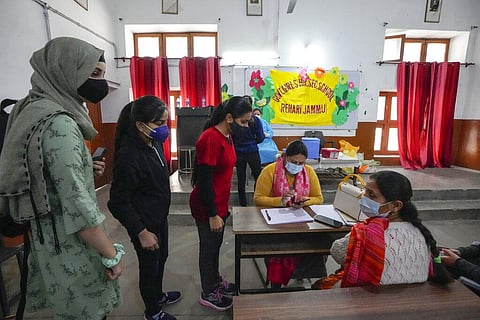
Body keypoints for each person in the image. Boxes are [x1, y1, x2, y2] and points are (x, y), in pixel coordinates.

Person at [0, 37, 122, 320]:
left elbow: (45, 175)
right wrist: (110, 253)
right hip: (71, 244)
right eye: (93, 74)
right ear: (64, 70)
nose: (100, 84)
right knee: (87, 312)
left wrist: (83, 168)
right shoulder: (61, 123)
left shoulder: (30, 111)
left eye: (102, 75)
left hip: (46, 238)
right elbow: (77, 206)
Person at [108, 96, 181, 320]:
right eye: (159, 123)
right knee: (149, 268)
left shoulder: (154, 144)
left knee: (162, 258)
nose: (164, 128)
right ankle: (153, 312)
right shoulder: (129, 156)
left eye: (165, 122)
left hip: (158, 217)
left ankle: (157, 296)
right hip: (144, 224)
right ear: (140, 125)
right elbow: (117, 202)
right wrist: (141, 232)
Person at [329, 170, 452, 287]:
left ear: (396, 205)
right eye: (364, 191)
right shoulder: (421, 232)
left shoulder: (365, 233)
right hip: (412, 301)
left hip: (369, 300)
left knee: (324, 285)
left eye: (371, 195)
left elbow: (336, 252)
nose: (363, 197)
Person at [190, 96, 252, 311]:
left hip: (220, 203)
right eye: (243, 121)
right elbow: (204, 181)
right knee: (208, 249)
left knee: (215, 247)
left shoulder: (227, 136)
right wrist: (213, 214)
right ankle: (208, 293)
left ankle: (215, 282)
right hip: (207, 206)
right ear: (229, 118)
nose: (246, 126)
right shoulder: (210, 139)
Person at [254, 140, 325, 289]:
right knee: (281, 248)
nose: (297, 166)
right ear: (285, 157)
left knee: (318, 245)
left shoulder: (309, 172)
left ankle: (304, 275)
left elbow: (318, 198)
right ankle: (276, 284)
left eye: (301, 163)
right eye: (294, 162)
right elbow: (258, 199)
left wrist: (304, 201)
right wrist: (280, 201)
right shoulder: (270, 171)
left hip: (301, 221)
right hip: (276, 222)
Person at [231, 95, 265, 206]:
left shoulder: (235, 121)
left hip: (238, 153)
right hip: (252, 152)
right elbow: (260, 138)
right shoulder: (256, 121)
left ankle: (243, 203)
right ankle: (258, 199)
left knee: (241, 178)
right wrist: (253, 141)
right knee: (258, 177)